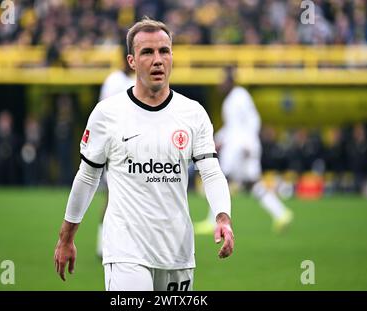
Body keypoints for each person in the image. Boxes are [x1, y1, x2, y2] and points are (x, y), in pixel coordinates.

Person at [54, 17, 234, 291]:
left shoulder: (193, 114)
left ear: (172, 56)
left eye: (164, 51)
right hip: (125, 251)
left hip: (177, 254)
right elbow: (88, 177)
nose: (158, 59)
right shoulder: (107, 114)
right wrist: (66, 237)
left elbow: (211, 171)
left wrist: (223, 217)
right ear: (132, 61)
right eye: (147, 52)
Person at [194, 67, 293, 235]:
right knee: (252, 184)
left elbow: (253, 120)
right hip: (239, 146)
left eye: (223, 81)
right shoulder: (232, 99)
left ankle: (213, 222)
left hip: (241, 148)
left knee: (220, 179)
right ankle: (281, 213)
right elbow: (232, 127)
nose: (220, 85)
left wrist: (248, 144)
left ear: (230, 81)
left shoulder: (240, 96)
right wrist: (218, 141)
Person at [95, 44, 135, 258]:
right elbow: (104, 114)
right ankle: (102, 244)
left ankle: (127, 244)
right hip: (116, 148)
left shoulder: (138, 81)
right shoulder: (114, 81)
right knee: (112, 196)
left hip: (137, 149)